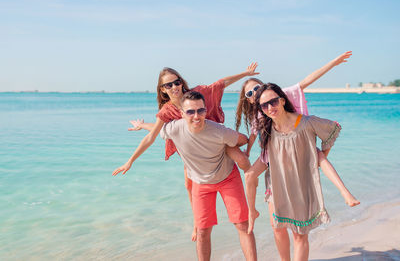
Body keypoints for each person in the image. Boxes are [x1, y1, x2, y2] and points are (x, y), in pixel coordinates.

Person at [112, 63, 259, 241]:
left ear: (181, 82)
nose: (174, 87)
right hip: (191, 151)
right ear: (163, 89)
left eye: (176, 82)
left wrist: (245, 73)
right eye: (169, 85)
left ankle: (252, 206)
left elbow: (221, 84)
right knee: (189, 184)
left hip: (216, 140)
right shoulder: (167, 110)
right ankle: (197, 224)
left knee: (243, 160)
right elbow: (154, 135)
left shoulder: (197, 94)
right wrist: (130, 160)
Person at [245, 83, 360, 261]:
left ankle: (346, 193)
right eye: (264, 105)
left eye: (273, 102)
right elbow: (263, 160)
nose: (270, 108)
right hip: (278, 185)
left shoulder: (305, 123)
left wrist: (312, 160)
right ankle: (252, 214)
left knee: (299, 234)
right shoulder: (267, 129)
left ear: (282, 100)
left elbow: (332, 129)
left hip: (301, 186)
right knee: (277, 226)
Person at [160, 91, 257, 261]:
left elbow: (243, 139)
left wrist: (230, 146)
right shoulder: (175, 128)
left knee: (242, 225)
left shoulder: (218, 130)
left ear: (205, 111)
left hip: (228, 177)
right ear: (182, 114)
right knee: (203, 230)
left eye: (200, 111)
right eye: (190, 111)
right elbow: (157, 130)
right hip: (200, 183)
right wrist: (142, 125)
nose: (196, 116)